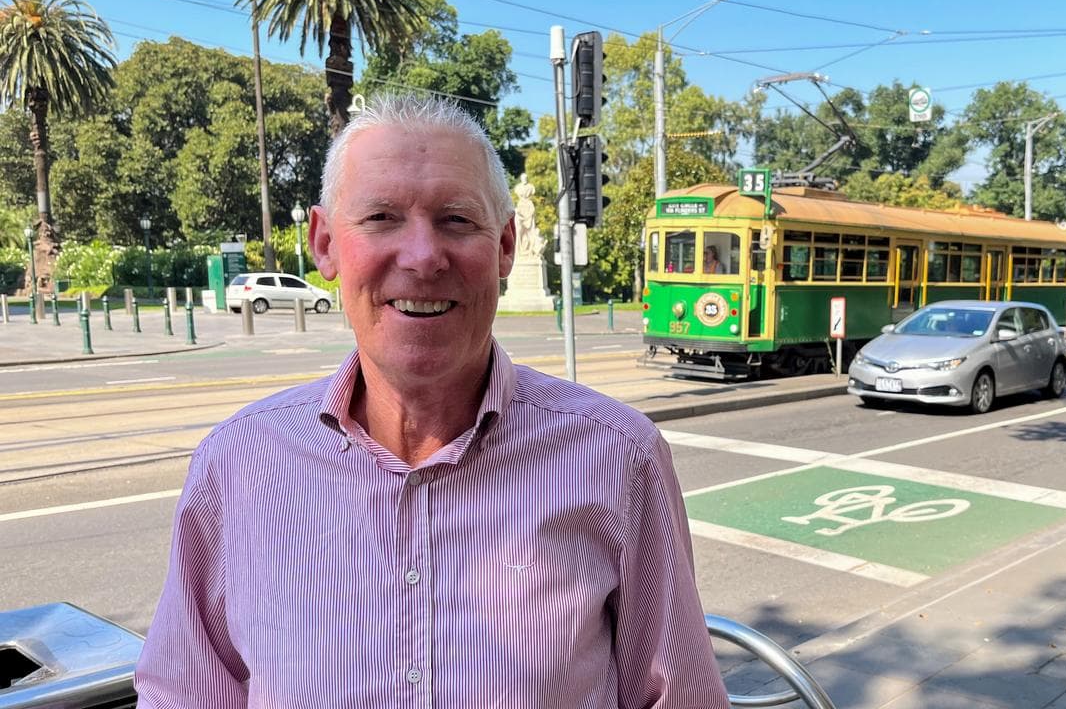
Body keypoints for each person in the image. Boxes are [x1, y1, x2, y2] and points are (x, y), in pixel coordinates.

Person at [135, 94, 730, 709]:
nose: (422, 258)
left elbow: (678, 696)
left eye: (456, 220)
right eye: (382, 217)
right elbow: (183, 694)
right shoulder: (236, 465)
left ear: (504, 246)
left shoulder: (618, 456)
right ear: (325, 244)